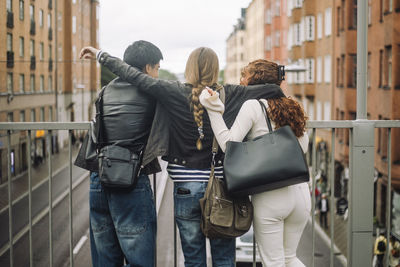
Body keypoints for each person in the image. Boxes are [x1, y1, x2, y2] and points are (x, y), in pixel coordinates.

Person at [80, 46, 285, 266]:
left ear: (189, 69)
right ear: (216, 70)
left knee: (193, 259)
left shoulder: (174, 91)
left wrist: (102, 56)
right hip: (223, 188)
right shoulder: (233, 93)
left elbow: (135, 77)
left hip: (186, 187)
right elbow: (272, 90)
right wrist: (279, 76)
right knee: (224, 259)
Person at [199, 59, 310, 267]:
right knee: (290, 258)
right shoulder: (294, 107)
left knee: (274, 262)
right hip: (301, 193)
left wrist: (213, 109)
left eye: (244, 75)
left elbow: (229, 145)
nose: (241, 80)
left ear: (255, 79)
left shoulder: (253, 105)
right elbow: (302, 147)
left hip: (271, 195)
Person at [78, 40, 163, 267]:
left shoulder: (105, 92)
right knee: (139, 259)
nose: (157, 74)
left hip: (100, 178)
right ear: (147, 68)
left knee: (105, 259)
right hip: (131, 181)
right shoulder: (152, 93)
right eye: (156, 68)